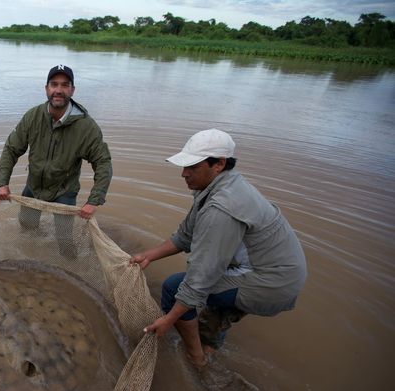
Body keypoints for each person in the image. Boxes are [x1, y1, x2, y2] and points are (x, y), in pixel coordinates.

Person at [130, 129, 307, 367]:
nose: (183, 173)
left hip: (272, 280)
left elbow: (202, 275)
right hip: (269, 269)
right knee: (209, 297)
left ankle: (197, 357)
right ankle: (211, 346)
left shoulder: (222, 207)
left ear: (219, 164)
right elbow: (185, 236)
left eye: (192, 166)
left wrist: (169, 319)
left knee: (174, 288)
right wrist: (148, 255)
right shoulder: (218, 186)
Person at [0, 64, 112, 220]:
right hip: (34, 187)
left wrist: (94, 201)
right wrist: (2, 182)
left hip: (64, 191)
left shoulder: (87, 127)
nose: (58, 90)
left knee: (64, 240)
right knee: (26, 226)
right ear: (46, 88)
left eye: (65, 85)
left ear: (72, 90)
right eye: (54, 84)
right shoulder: (33, 116)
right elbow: (11, 149)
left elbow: (103, 163)